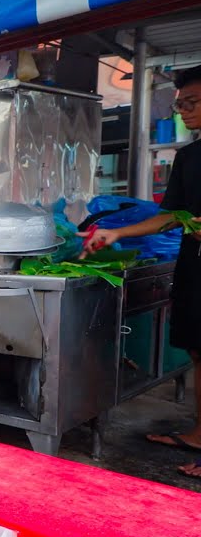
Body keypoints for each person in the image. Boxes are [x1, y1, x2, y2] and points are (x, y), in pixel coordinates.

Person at [82, 65, 201, 477]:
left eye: (192, 102)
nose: (183, 111)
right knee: (197, 349)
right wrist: (117, 234)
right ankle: (200, 433)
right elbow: (170, 216)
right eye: (179, 104)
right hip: (194, 262)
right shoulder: (188, 157)